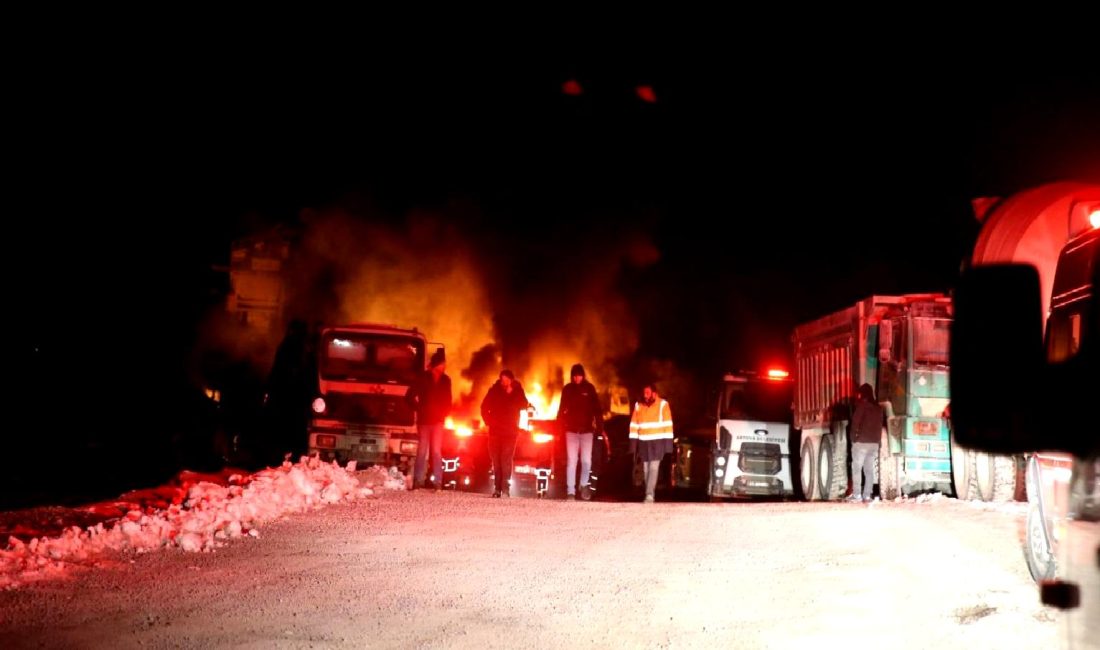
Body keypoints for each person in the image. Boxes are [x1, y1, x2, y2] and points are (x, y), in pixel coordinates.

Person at [405, 348, 452, 492]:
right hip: (424, 421)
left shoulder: (446, 380)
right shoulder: (422, 378)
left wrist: (444, 413)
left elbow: (448, 400)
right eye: (442, 364)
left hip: (438, 422)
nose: (444, 367)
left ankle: (438, 482)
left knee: (436, 452)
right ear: (436, 364)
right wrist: (419, 408)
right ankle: (417, 481)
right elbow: (408, 396)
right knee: (422, 451)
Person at [556, 363, 604, 500]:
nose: (577, 378)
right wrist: (560, 427)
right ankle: (570, 491)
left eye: (579, 375)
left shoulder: (589, 389)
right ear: (572, 376)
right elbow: (561, 409)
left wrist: (599, 427)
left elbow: (597, 409)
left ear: (583, 375)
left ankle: (583, 485)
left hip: (587, 431)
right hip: (571, 431)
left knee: (586, 461)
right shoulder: (567, 389)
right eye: (575, 376)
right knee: (572, 461)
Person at [480, 370, 530, 498]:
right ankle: (497, 489)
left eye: (506, 379)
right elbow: (484, 406)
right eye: (502, 379)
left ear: (511, 380)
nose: (504, 382)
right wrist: (488, 421)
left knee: (506, 460)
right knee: (496, 461)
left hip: (510, 432)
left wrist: (513, 394)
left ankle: (505, 489)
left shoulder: (518, 391)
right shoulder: (494, 390)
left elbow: (524, 404)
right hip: (495, 432)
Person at [628, 383, 673, 503]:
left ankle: (649, 494)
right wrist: (633, 445)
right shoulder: (638, 405)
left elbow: (668, 425)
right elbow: (634, 425)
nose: (645, 395)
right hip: (644, 442)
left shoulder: (663, 404)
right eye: (644, 393)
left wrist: (668, 446)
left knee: (653, 467)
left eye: (648, 393)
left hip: (658, 442)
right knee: (646, 468)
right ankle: (649, 493)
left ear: (654, 393)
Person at [849, 382, 884, 502]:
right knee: (869, 470)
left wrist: (853, 439)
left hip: (861, 443)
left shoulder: (862, 406)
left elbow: (855, 423)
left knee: (857, 468)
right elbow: (879, 426)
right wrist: (878, 443)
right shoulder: (879, 409)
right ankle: (867, 494)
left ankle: (857, 495)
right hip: (874, 444)